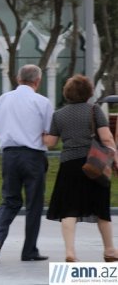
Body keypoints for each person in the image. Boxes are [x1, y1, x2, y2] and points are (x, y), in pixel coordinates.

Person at [44, 74, 118, 262]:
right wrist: (115, 157)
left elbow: (51, 143)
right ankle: (110, 251)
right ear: (88, 93)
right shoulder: (94, 111)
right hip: (95, 164)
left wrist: (40, 134)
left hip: (69, 165)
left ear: (67, 93)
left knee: (69, 209)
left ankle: (70, 252)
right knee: (101, 208)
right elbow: (107, 138)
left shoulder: (58, 115)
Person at [0, 64, 54, 261]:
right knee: (34, 204)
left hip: (9, 156)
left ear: (18, 79)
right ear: (38, 81)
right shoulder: (42, 102)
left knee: (10, 200)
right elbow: (49, 131)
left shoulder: (3, 99)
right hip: (33, 157)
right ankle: (29, 250)